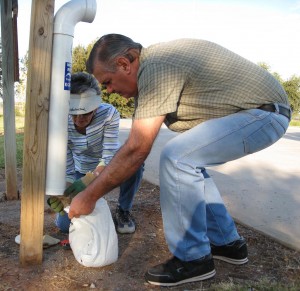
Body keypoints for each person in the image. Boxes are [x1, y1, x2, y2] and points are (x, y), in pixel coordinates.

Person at [68, 34, 291, 286]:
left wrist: (88, 196)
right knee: (188, 164)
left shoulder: (156, 67)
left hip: (265, 113)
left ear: (124, 63)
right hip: (263, 112)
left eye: (107, 82)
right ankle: (228, 244)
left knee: (177, 158)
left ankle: (193, 259)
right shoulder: (152, 72)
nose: (109, 91)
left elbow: (136, 149)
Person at [50, 72, 144, 234]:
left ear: (96, 106)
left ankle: (123, 210)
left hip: (110, 165)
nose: (79, 119)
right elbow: (66, 160)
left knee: (135, 165)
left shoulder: (108, 113)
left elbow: (108, 154)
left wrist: (91, 179)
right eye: (74, 113)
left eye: (86, 113)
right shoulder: (61, 118)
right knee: (65, 226)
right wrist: (66, 189)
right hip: (81, 168)